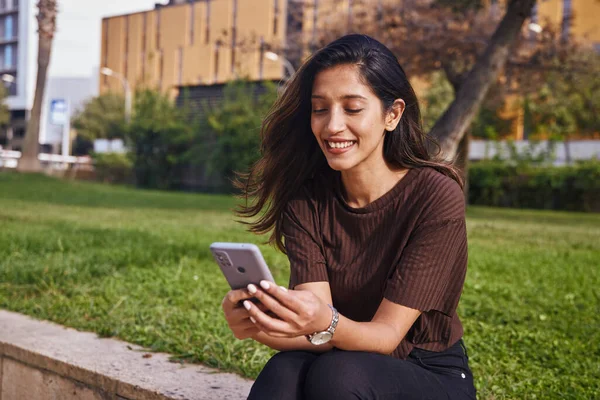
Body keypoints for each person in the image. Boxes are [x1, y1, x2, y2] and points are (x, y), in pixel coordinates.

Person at [221, 34, 477, 400]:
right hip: (344, 361)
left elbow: (386, 337)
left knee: (339, 373)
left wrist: (324, 322)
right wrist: (256, 325)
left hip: (427, 371)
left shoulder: (435, 196)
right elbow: (319, 333)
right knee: (284, 372)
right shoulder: (306, 199)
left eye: (352, 108)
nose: (331, 126)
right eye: (320, 108)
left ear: (393, 114)